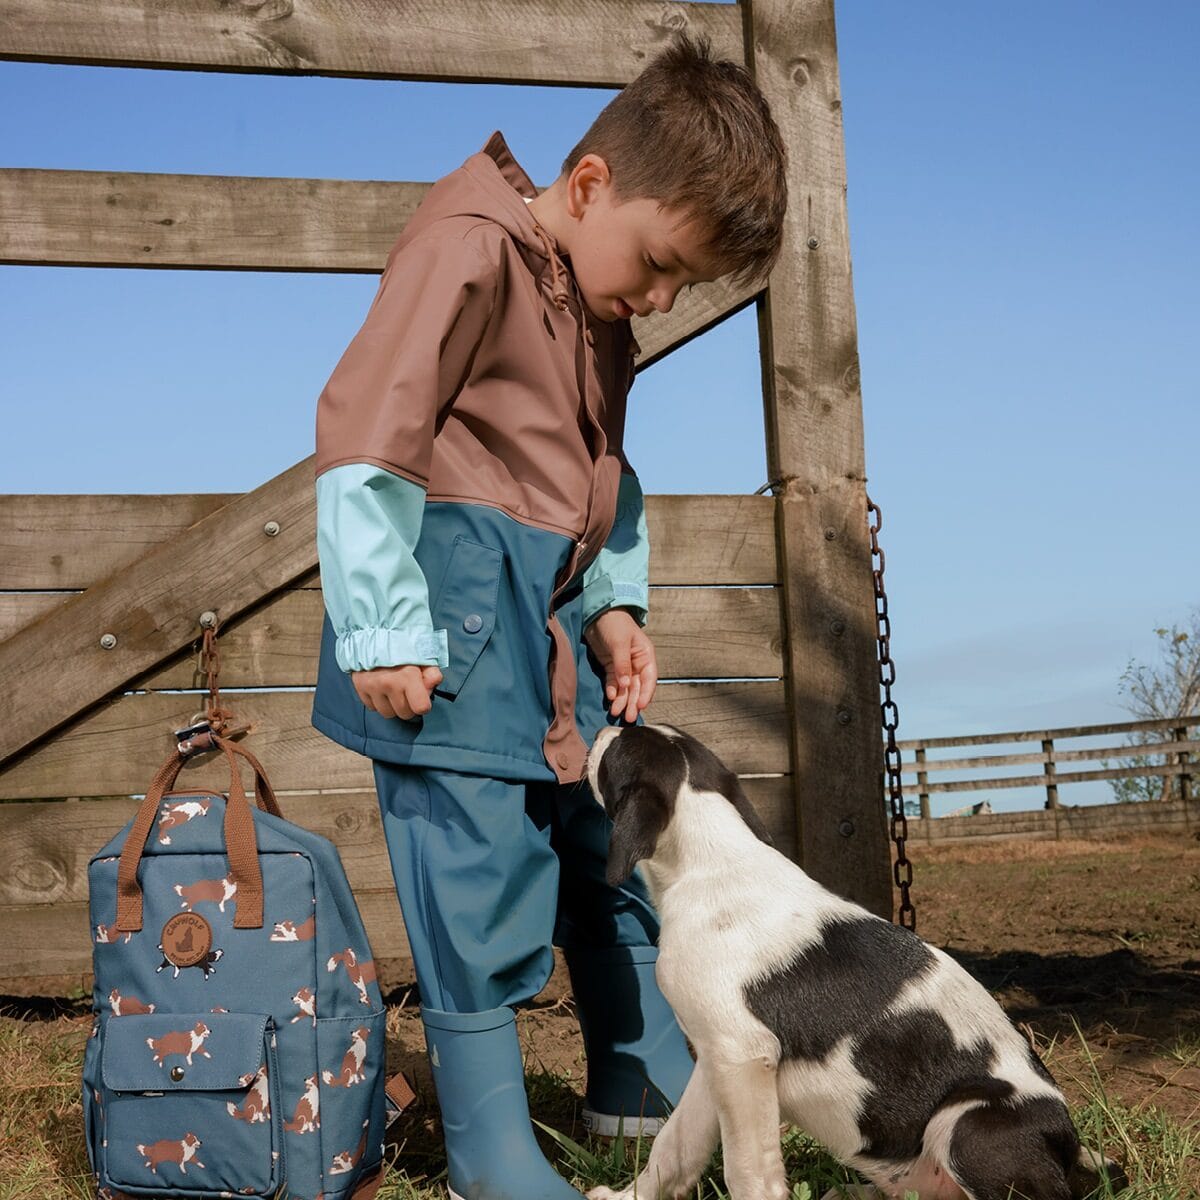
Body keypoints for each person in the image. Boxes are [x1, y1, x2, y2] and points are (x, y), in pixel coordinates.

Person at [311, 30, 787, 1200]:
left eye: (683, 287)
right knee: (474, 872)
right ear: (589, 184)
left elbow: (601, 477)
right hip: (449, 639)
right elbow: (372, 429)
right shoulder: (469, 248)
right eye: (661, 262)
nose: (662, 298)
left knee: (604, 845)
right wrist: (382, 625)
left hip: (547, 639)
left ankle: (638, 1083)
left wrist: (615, 608)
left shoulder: (592, 307)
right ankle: (488, 1151)